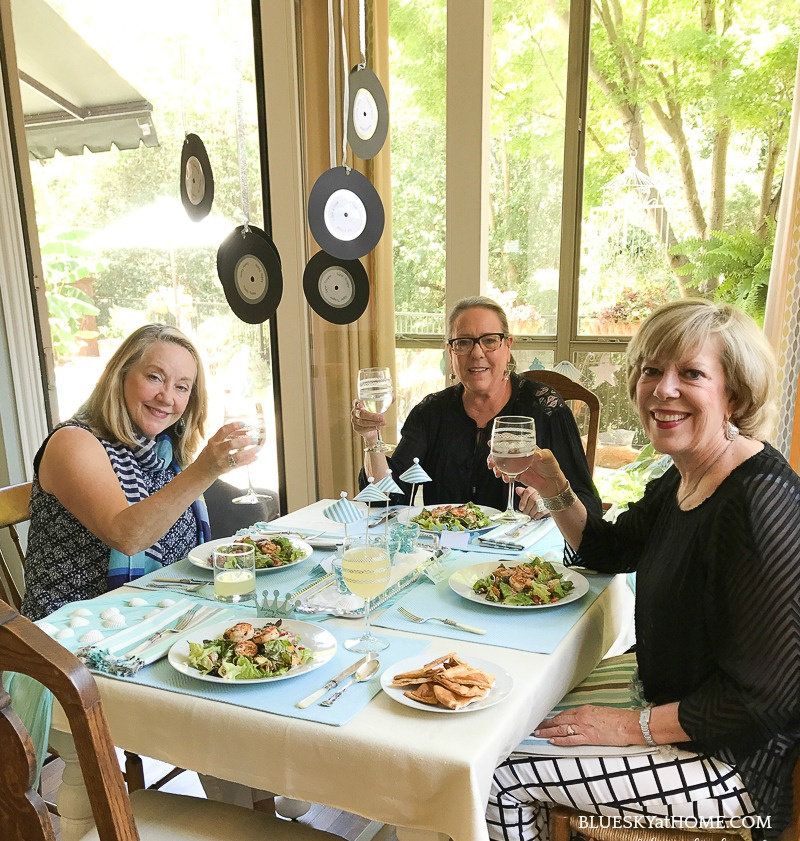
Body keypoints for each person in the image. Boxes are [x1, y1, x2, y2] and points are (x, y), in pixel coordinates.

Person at [486, 299, 800, 841]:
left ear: (735, 395)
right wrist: (553, 485)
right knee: (501, 721)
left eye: (692, 373)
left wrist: (631, 728)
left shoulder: (756, 502)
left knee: (497, 771)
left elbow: (766, 696)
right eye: (651, 370)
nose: (663, 389)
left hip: (731, 769)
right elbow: (607, 550)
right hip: (664, 700)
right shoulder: (682, 476)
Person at [21, 324, 259, 621]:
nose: (167, 397)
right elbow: (127, 537)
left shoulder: (162, 451)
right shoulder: (73, 443)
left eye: (182, 387)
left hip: (158, 617)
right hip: (73, 636)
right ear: (120, 376)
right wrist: (204, 469)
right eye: (154, 377)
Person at [351, 296, 601, 516]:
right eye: (463, 342)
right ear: (450, 352)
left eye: (490, 340)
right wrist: (372, 439)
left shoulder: (544, 407)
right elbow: (386, 498)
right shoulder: (431, 411)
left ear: (507, 346)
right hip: (445, 556)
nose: (477, 353)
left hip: (522, 560)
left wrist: (549, 501)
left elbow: (588, 503)